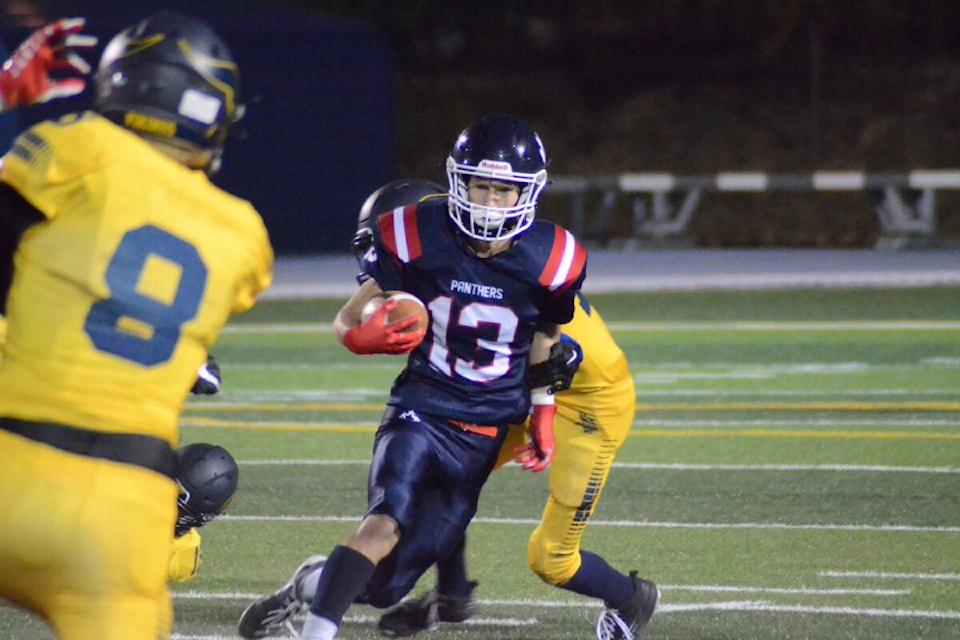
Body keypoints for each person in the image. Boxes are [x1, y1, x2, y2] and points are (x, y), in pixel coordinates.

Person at [238, 113, 587, 640]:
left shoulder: (553, 258)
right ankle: (316, 633)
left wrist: (543, 412)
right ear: (457, 182)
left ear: (529, 193)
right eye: (480, 187)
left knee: (386, 588)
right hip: (420, 407)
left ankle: (310, 585)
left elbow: (545, 337)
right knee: (383, 522)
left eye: (503, 191)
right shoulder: (418, 232)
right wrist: (359, 336)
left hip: (484, 431)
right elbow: (348, 317)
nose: (490, 203)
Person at [0, 11, 272, 640]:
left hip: (14, 463)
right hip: (121, 516)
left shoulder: (74, 150)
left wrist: (8, 96)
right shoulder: (245, 236)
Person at [376, 292, 659, 640]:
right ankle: (452, 595)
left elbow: (554, 358)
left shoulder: (521, 274)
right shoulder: (479, 262)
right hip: (526, 385)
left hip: (588, 404)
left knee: (551, 559)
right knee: (443, 473)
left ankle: (632, 598)